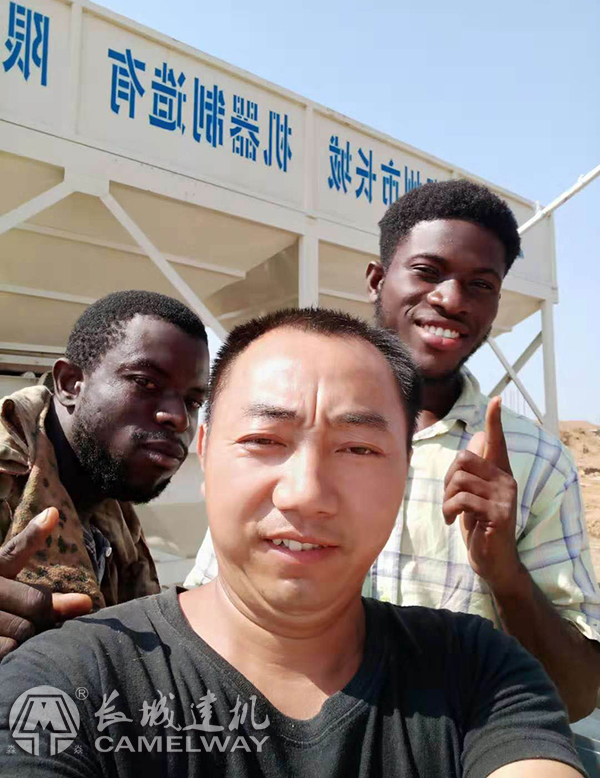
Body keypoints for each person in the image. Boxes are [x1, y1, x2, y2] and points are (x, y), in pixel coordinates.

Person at [0, 308, 585, 777]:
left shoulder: (479, 672)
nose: (306, 494)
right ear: (205, 452)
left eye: (358, 449)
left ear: (406, 470)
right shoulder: (67, 678)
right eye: (264, 439)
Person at [187, 180, 600, 722]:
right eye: (428, 272)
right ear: (377, 281)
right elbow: (205, 622)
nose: (452, 299)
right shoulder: (280, 440)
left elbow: (577, 695)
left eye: (480, 284)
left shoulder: (535, 462)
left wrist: (504, 572)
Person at [0, 290, 209, 659]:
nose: (179, 418)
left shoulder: (112, 506)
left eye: (192, 401)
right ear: (70, 384)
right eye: (146, 383)